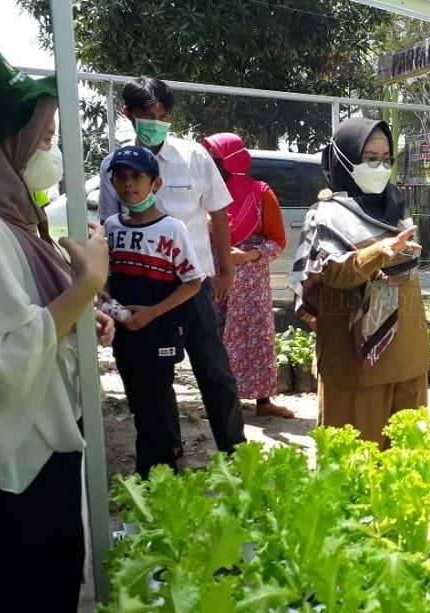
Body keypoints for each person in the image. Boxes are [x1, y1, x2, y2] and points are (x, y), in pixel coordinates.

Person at [0, 45, 113, 611]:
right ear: (3, 143)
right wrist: (84, 286)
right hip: (14, 461)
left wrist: (80, 312)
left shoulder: (10, 216)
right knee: (25, 586)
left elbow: (22, 313)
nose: (50, 148)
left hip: (42, 441)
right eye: (44, 137)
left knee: (50, 574)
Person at [99, 76, 246, 452]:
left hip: (192, 285)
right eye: (149, 115)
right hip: (143, 288)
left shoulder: (194, 156)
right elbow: (110, 227)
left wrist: (226, 270)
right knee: (154, 375)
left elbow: (218, 214)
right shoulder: (115, 166)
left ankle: (234, 449)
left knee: (214, 369)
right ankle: (167, 453)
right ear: (130, 115)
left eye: (164, 115)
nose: (158, 122)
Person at [290, 117, 430, 449]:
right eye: (370, 158)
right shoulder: (325, 215)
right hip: (355, 360)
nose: (379, 167)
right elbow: (329, 276)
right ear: (344, 158)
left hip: (409, 355)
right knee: (355, 463)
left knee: (406, 466)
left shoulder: (398, 209)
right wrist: (379, 252)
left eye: (386, 159)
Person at [102, 146, 204, 478]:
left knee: (155, 403)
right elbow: (106, 278)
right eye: (120, 177)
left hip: (159, 330)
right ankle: (166, 462)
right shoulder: (112, 226)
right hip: (125, 333)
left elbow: (192, 282)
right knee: (140, 402)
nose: (128, 184)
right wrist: (110, 304)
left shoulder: (172, 229)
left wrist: (152, 313)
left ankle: (153, 474)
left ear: (155, 184)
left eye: (136, 176)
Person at [201, 132, 294, 418]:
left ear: (231, 161)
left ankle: (264, 403)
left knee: (257, 339)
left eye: (215, 159)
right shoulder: (205, 194)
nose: (210, 165)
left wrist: (249, 255)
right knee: (215, 337)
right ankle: (222, 401)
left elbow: (278, 241)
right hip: (216, 276)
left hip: (251, 281)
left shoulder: (261, 193)